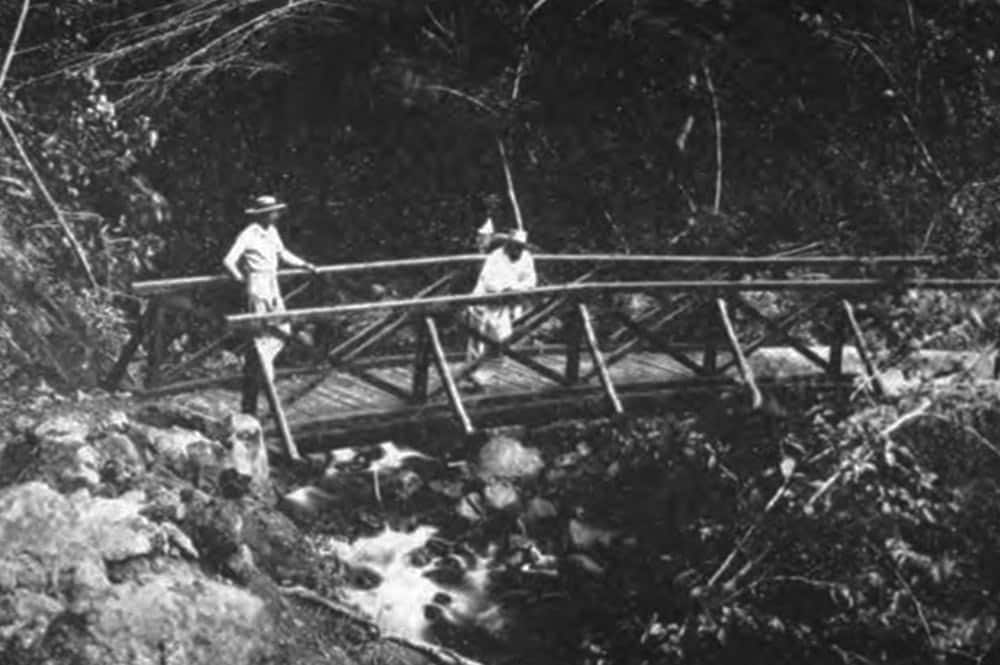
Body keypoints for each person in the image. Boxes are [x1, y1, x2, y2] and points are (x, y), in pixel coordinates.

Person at [223, 194, 319, 415]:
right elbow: (228, 260)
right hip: (257, 285)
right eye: (272, 211)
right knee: (261, 332)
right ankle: (264, 375)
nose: (276, 215)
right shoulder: (248, 234)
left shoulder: (272, 232)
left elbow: (282, 253)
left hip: (272, 283)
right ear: (263, 214)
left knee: (283, 328)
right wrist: (240, 278)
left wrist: (305, 264)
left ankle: (264, 368)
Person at [466, 229, 537, 388]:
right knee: (478, 339)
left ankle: (484, 375)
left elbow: (530, 280)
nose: (517, 250)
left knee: (501, 339)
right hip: (484, 302)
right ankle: (471, 374)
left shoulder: (526, 258)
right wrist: (505, 289)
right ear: (507, 245)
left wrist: (516, 289)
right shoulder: (495, 257)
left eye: (520, 247)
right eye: (514, 246)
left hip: (503, 305)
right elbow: (488, 281)